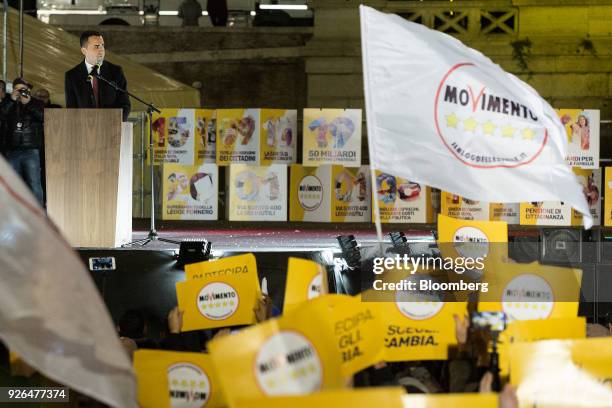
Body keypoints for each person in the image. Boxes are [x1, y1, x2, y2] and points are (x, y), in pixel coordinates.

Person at [65, 31, 131, 121]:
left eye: (102, 45)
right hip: (84, 130)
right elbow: (71, 110)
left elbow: (125, 104)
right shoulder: (72, 76)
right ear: (84, 51)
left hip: (112, 129)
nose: (101, 50)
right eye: (96, 46)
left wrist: (115, 123)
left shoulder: (115, 71)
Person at [0, 78, 45, 205]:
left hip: (31, 150)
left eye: (24, 89)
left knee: (34, 183)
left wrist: (28, 103)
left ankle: (38, 214)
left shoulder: (36, 103)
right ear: (13, 90)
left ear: (29, 90)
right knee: (13, 185)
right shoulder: (7, 102)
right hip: (11, 150)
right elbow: (1, 115)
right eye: (18, 89)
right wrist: (11, 100)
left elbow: (43, 117)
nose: (21, 92)